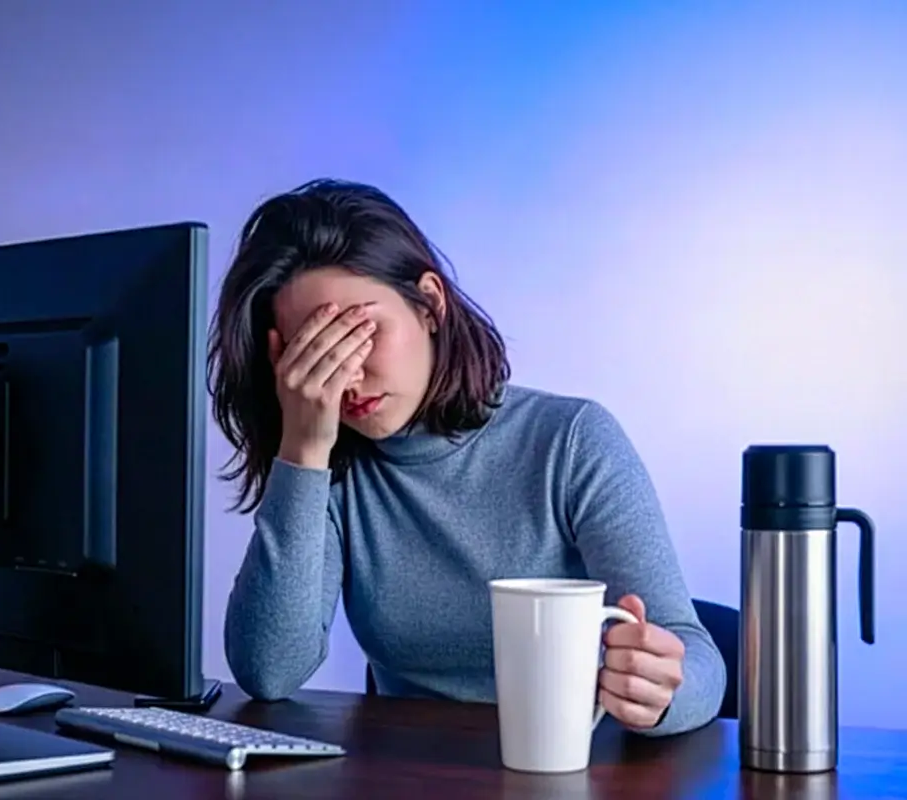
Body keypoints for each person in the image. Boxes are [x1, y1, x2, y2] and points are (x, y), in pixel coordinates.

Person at [207, 178, 725, 736]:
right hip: (412, 779)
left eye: (360, 334)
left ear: (429, 303)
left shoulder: (569, 440)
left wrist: (660, 691)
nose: (347, 377)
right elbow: (269, 671)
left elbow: (696, 660)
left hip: (568, 771)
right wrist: (303, 453)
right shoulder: (331, 471)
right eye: (317, 353)